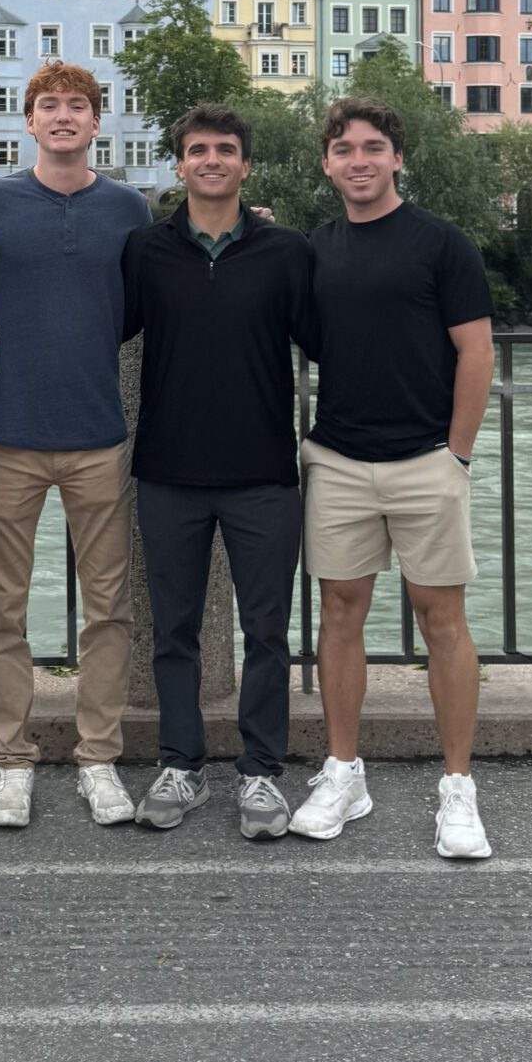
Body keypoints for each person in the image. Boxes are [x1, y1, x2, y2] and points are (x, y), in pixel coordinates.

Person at [292, 97, 496, 858]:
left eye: (374, 147)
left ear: (397, 158)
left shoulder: (442, 245)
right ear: (328, 164)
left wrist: (457, 455)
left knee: (442, 620)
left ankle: (457, 790)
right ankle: (344, 772)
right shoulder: (315, 249)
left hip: (424, 460)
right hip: (339, 457)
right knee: (340, 614)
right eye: (344, 149)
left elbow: (476, 353)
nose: (359, 160)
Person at [0, 62, 151, 830]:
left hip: (98, 434)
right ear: (29, 122)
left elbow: (139, 307)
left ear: (96, 122)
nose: (64, 117)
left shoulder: (127, 208)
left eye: (78, 106)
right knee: (1, 609)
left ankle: (98, 757)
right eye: (50, 107)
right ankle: (12, 761)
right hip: (7, 433)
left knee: (108, 608)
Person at [121, 104, 313, 838]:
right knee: (173, 628)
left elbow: (332, 337)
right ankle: (182, 765)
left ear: (244, 164)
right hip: (168, 469)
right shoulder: (145, 250)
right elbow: (97, 323)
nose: (211, 160)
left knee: (267, 629)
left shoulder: (286, 251)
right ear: (178, 165)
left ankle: (261, 774)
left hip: (263, 471)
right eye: (197, 149)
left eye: (225, 149)